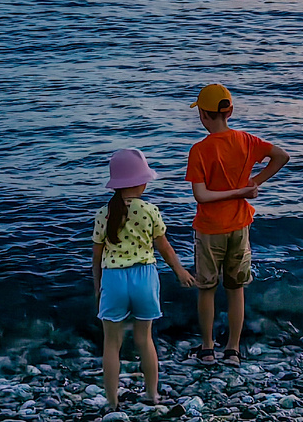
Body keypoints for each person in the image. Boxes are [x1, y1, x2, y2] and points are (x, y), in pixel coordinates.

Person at [185, 84, 290, 367]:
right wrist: (252, 184)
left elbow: (201, 196)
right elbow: (281, 156)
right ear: (229, 111)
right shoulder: (246, 141)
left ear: (203, 116)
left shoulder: (199, 150)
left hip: (209, 229)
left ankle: (207, 348)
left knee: (206, 289)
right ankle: (233, 349)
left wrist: (240, 190)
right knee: (236, 288)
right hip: (239, 226)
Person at [92, 148, 196, 411]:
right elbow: (164, 248)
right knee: (144, 339)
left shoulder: (104, 213)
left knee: (111, 344)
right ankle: (152, 395)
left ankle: (113, 402)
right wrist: (180, 272)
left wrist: (98, 286)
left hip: (113, 279)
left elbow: (97, 256)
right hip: (144, 277)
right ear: (140, 181)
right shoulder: (149, 210)